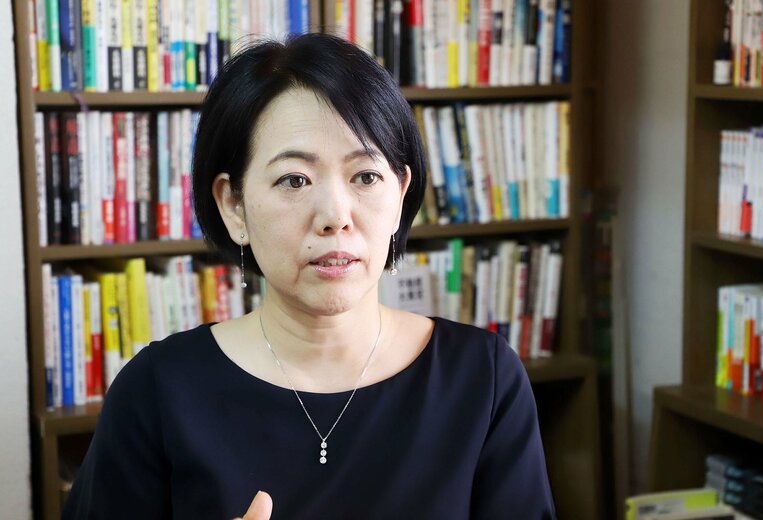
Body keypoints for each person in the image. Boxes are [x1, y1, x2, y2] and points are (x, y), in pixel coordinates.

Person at [62, 33, 555, 519]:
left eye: (366, 176)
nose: (335, 216)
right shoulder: (157, 391)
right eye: (294, 179)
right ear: (234, 206)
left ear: (400, 196)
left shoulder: (483, 378)